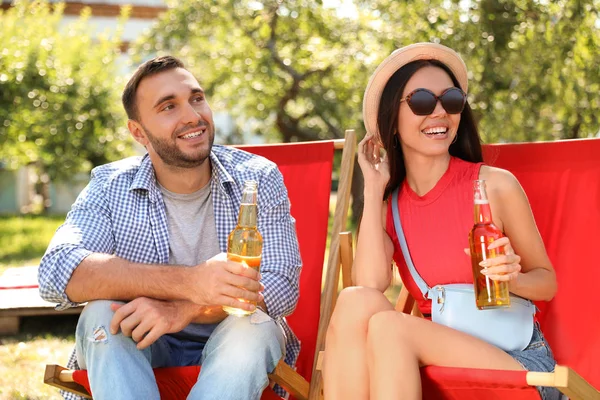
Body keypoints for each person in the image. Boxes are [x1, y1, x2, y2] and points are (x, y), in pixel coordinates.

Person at [38, 55, 302, 400]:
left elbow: (281, 284)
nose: (193, 115)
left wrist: (186, 308)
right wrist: (190, 282)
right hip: (143, 342)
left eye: (196, 98)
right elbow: (57, 272)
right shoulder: (110, 185)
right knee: (103, 314)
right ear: (138, 132)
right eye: (168, 107)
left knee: (254, 327)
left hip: (232, 341)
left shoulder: (257, 177)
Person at [323, 43, 559, 400]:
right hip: (440, 354)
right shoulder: (391, 206)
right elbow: (369, 285)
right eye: (420, 102)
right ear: (393, 117)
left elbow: (547, 283)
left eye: (450, 100)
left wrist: (513, 278)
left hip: (520, 360)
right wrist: (373, 190)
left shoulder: (494, 185)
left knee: (390, 327)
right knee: (356, 300)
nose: (438, 113)